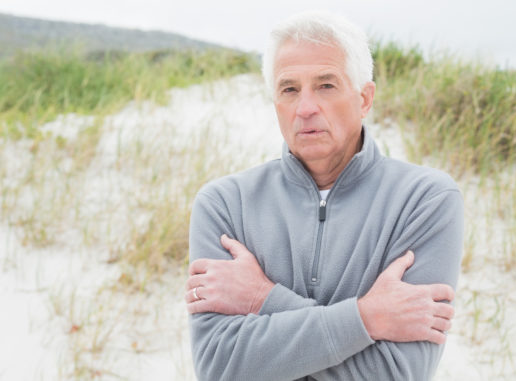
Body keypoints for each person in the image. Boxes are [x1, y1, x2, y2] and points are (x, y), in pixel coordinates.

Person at [184, 10, 463, 381]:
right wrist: (368, 318)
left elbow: (396, 373)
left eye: (326, 85)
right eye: (289, 89)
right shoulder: (224, 204)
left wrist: (264, 299)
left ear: (365, 98)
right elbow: (220, 367)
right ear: (275, 104)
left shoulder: (424, 200)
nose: (305, 108)